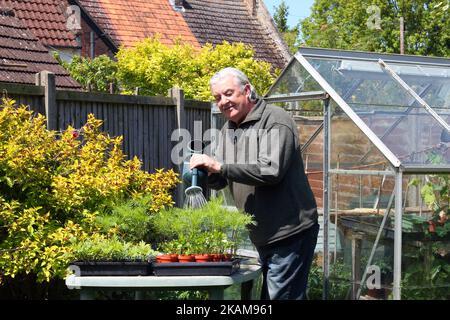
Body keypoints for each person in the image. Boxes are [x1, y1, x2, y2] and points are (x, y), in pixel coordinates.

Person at [189, 67, 319, 300]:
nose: (223, 101)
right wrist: (208, 172)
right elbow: (222, 181)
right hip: (262, 234)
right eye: (218, 97)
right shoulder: (228, 130)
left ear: (247, 90)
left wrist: (219, 166)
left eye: (228, 93)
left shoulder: (275, 120)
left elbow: (270, 171)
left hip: (289, 230)